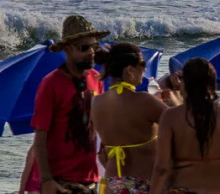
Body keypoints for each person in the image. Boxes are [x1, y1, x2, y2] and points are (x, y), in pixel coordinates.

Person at [149, 58, 220, 194]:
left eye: (181, 79)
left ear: (187, 83)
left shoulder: (170, 117)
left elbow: (162, 168)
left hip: (183, 189)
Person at [30, 15, 110, 194]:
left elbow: (100, 123)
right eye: (85, 47)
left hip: (90, 177)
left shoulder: (97, 79)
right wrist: (47, 179)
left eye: (94, 47)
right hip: (59, 180)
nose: (91, 52)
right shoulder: (51, 83)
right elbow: (40, 136)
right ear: (67, 49)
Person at [92, 43, 170, 194]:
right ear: (130, 70)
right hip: (143, 184)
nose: (144, 72)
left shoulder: (96, 102)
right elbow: (180, 124)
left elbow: (102, 155)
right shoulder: (144, 100)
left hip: (112, 184)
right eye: (142, 68)